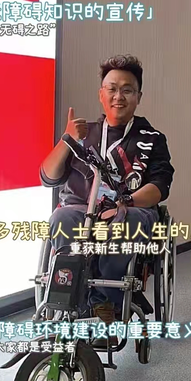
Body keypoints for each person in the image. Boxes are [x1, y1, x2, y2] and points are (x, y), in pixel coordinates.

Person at [40, 55, 175, 345]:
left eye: (127, 90)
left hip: (130, 209)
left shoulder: (152, 139)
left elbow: (159, 186)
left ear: (138, 97)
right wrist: (66, 140)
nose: (118, 96)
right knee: (61, 218)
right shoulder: (82, 134)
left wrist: (125, 202)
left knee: (124, 225)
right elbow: (48, 177)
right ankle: (72, 303)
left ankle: (107, 307)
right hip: (80, 208)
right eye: (112, 89)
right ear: (101, 94)